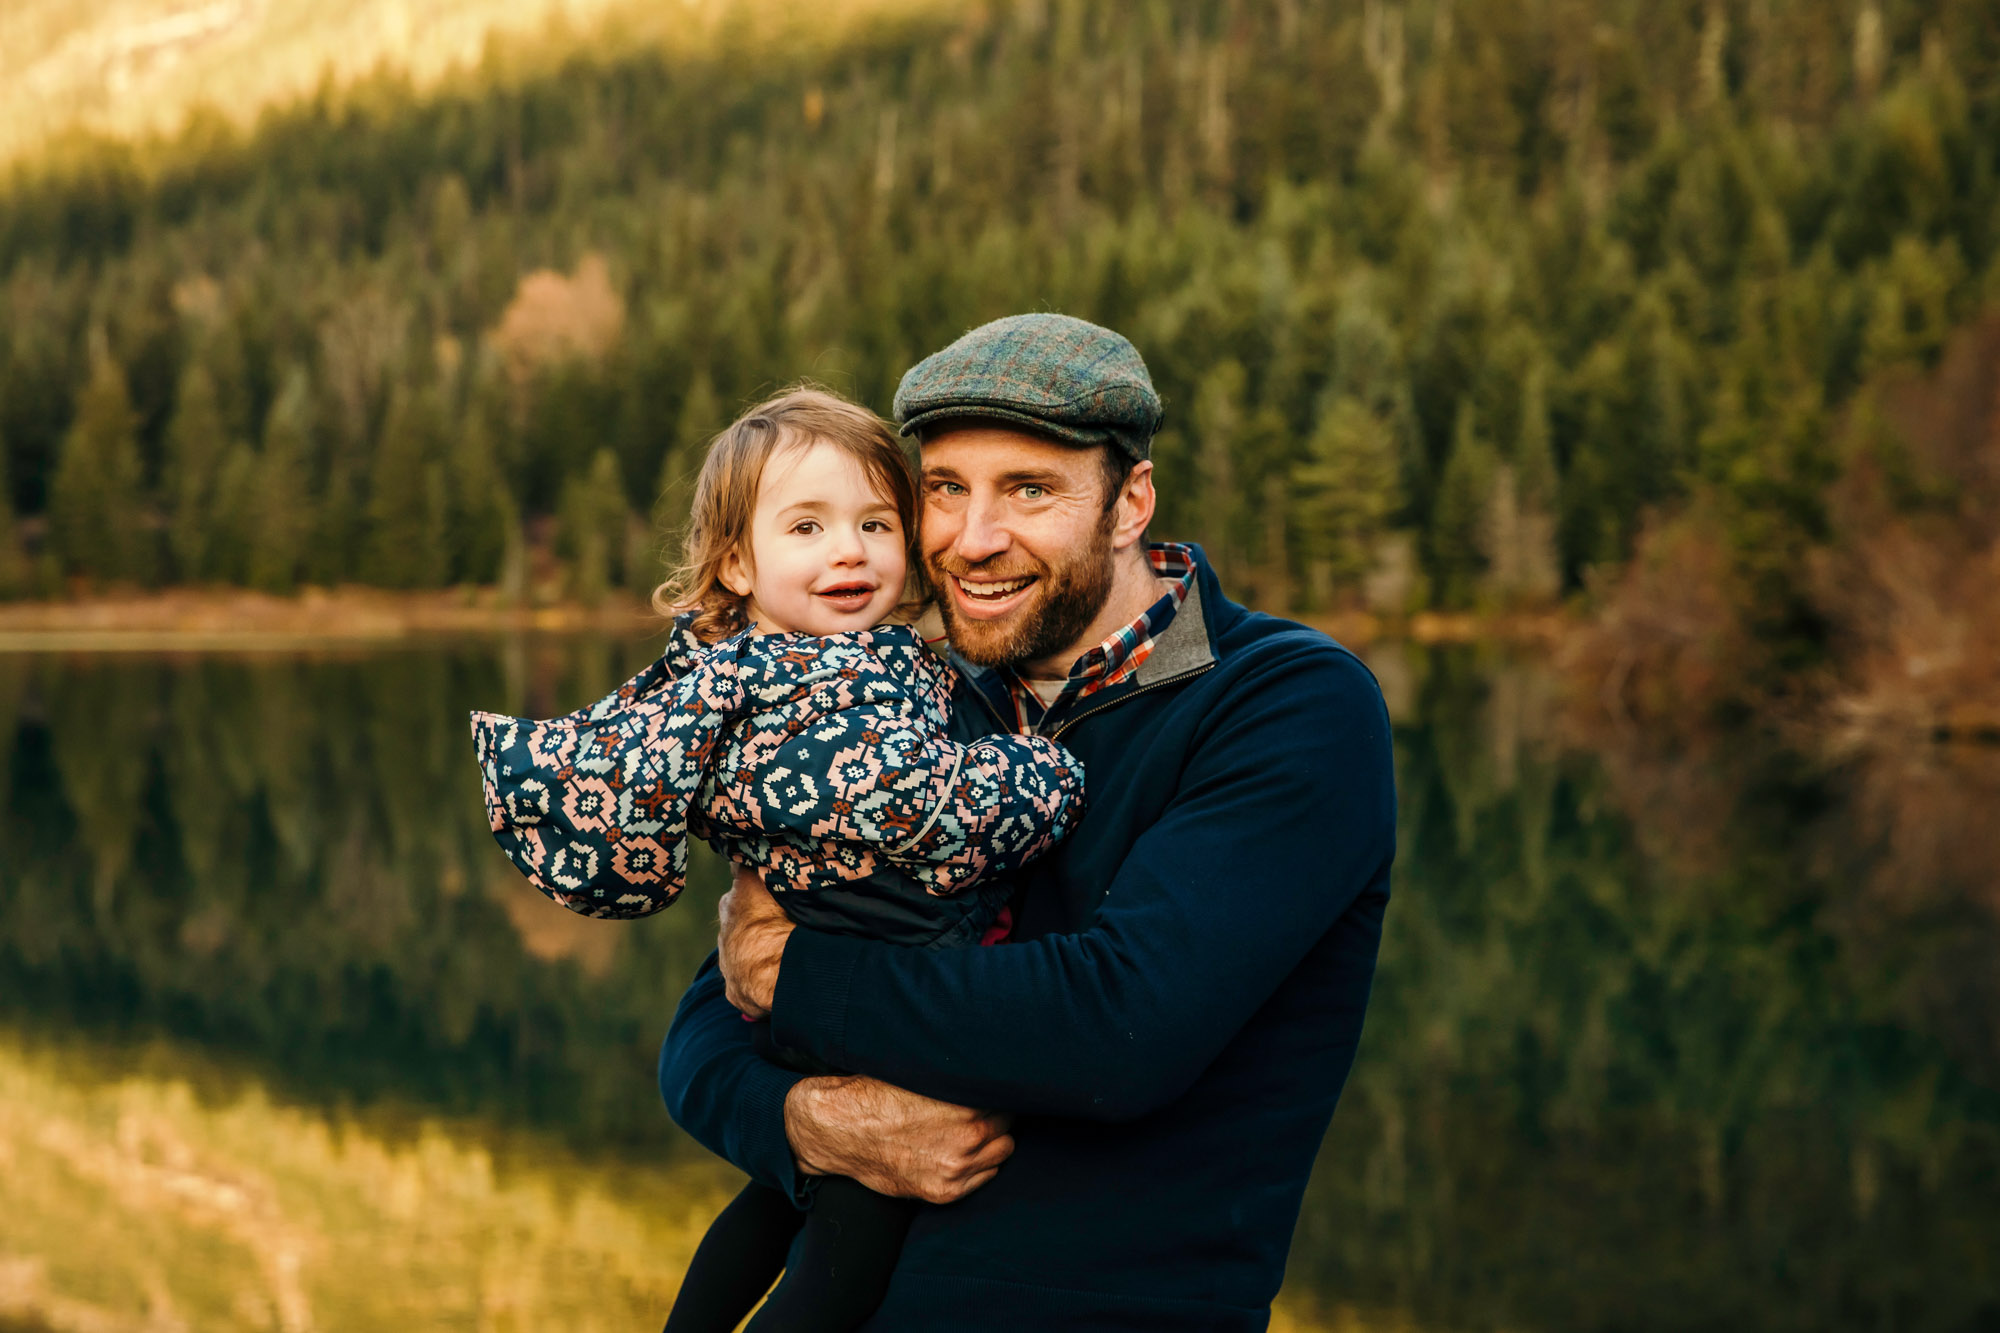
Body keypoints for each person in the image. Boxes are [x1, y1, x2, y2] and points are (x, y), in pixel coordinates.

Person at [659, 314, 1398, 1331]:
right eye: (944, 490)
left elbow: (1114, 1025)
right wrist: (806, 1122)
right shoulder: (914, 700)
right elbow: (704, 1029)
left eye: (1029, 490)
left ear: (1129, 503)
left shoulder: (1286, 705)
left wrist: (796, 977)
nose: (971, 539)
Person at [471, 387, 1087, 1332]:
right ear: (737, 561)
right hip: (874, 981)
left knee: (781, 1198)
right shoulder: (786, 678)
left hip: (847, 976)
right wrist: (1042, 774)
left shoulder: (860, 656)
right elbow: (913, 803)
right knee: (856, 1235)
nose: (849, 550)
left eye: (877, 523)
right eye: (808, 526)